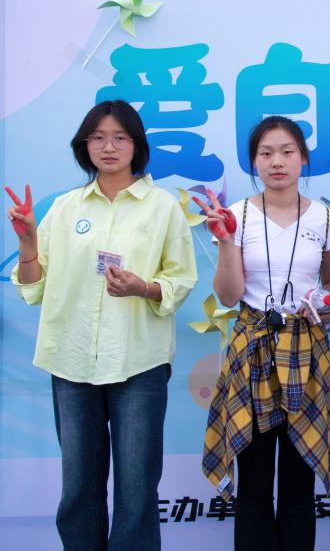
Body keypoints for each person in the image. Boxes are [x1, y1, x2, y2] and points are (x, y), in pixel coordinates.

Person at [7, 100, 198, 550]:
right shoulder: (65, 207)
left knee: (137, 489)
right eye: (97, 138)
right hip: (71, 361)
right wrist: (28, 242)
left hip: (139, 361)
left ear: (136, 145)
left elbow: (181, 279)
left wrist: (143, 287)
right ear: (84, 145)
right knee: (79, 488)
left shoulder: (162, 207)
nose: (108, 147)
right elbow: (33, 288)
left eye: (119, 137)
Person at [200, 115, 330, 551]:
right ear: (254, 161)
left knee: (299, 481)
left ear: (303, 158)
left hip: (306, 350)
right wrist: (226, 241)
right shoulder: (236, 216)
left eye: (287, 152)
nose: (277, 162)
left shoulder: (325, 218)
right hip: (253, 350)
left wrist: (325, 304)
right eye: (266, 153)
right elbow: (228, 296)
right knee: (253, 482)